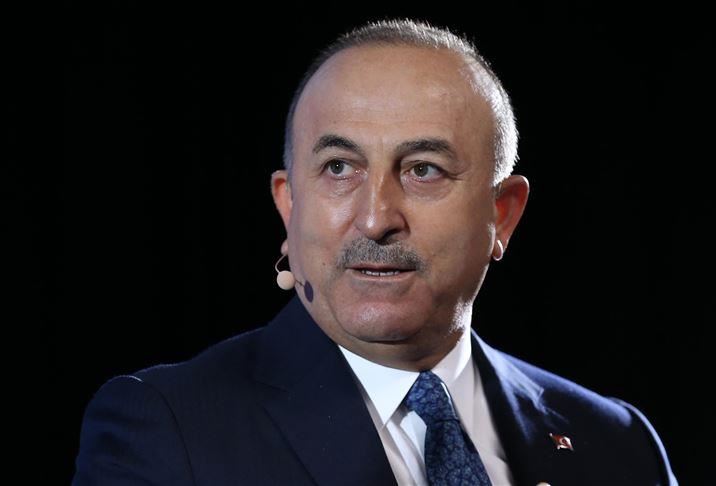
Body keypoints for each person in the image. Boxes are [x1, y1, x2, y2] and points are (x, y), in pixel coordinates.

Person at [73, 19, 677, 486]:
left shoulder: (616, 444)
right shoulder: (166, 431)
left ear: (503, 214)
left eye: (423, 169)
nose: (376, 218)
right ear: (289, 205)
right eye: (339, 167)